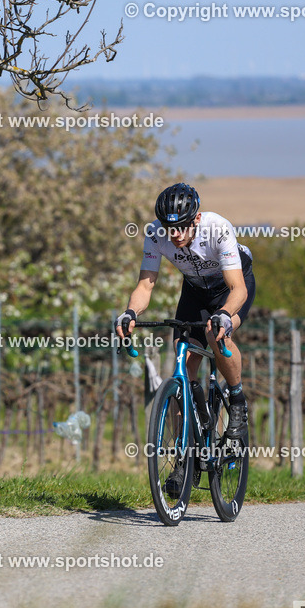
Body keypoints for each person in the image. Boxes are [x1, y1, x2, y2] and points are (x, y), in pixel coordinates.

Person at [114, 182, 256, 499]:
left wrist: (223, 315)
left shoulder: (217, 228)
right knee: (183, 360)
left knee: (214, 332)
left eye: (181, 227)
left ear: (197, 218)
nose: (175, 235)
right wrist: (129, 313)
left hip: (231, 288)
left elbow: (238, 290)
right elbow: (145, 287)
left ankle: (236, 401)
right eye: (169, 229)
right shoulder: (155, 234)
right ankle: (184, 460)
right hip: (194, 290)